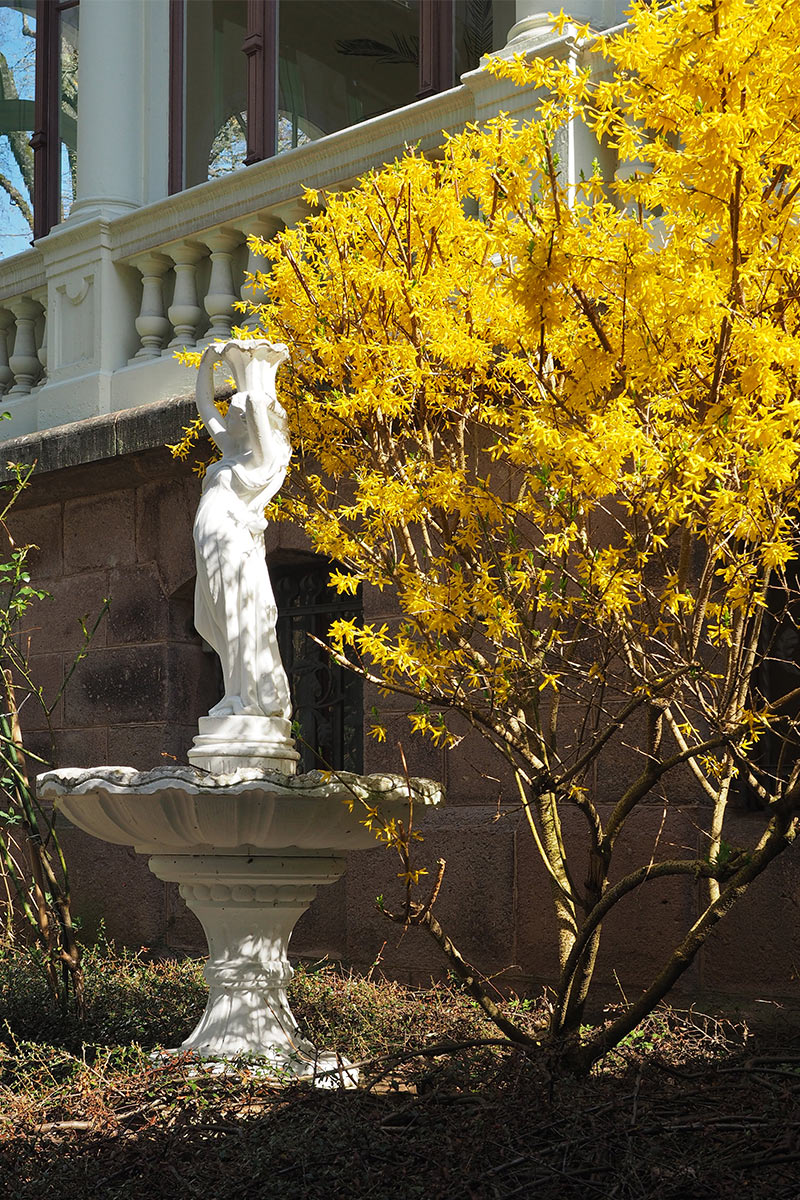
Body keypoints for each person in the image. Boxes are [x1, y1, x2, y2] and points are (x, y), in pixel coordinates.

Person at [192, 339, 292, 721]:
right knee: (218, 619)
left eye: (236, 413)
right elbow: (205, 406)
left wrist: (253, 380)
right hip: (210, 547)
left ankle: (245, 698)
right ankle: (234, 693)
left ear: (251, 421)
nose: (229, 416)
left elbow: (255, 408)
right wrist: (207, 365)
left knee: (236, 618)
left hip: (232, 545)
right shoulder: (230, 453)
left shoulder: (262, 460)